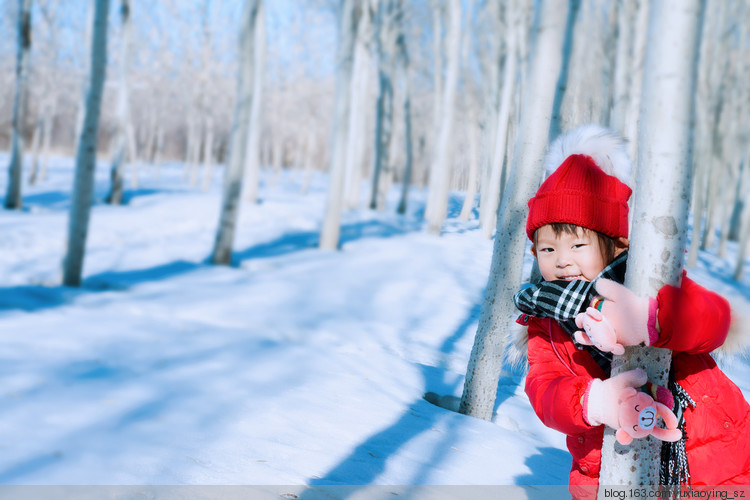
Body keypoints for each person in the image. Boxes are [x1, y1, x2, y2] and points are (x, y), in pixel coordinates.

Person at [512, 124, 750, 493]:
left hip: (716, 463)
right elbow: (544, 387)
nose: (561, 262)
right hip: (611, 467)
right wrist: (593, 401)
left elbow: (714, 321)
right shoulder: (546, 322)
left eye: (577, 246)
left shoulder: (650, 283)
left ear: (616, 244)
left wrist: (653, 319)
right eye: (548, 249)